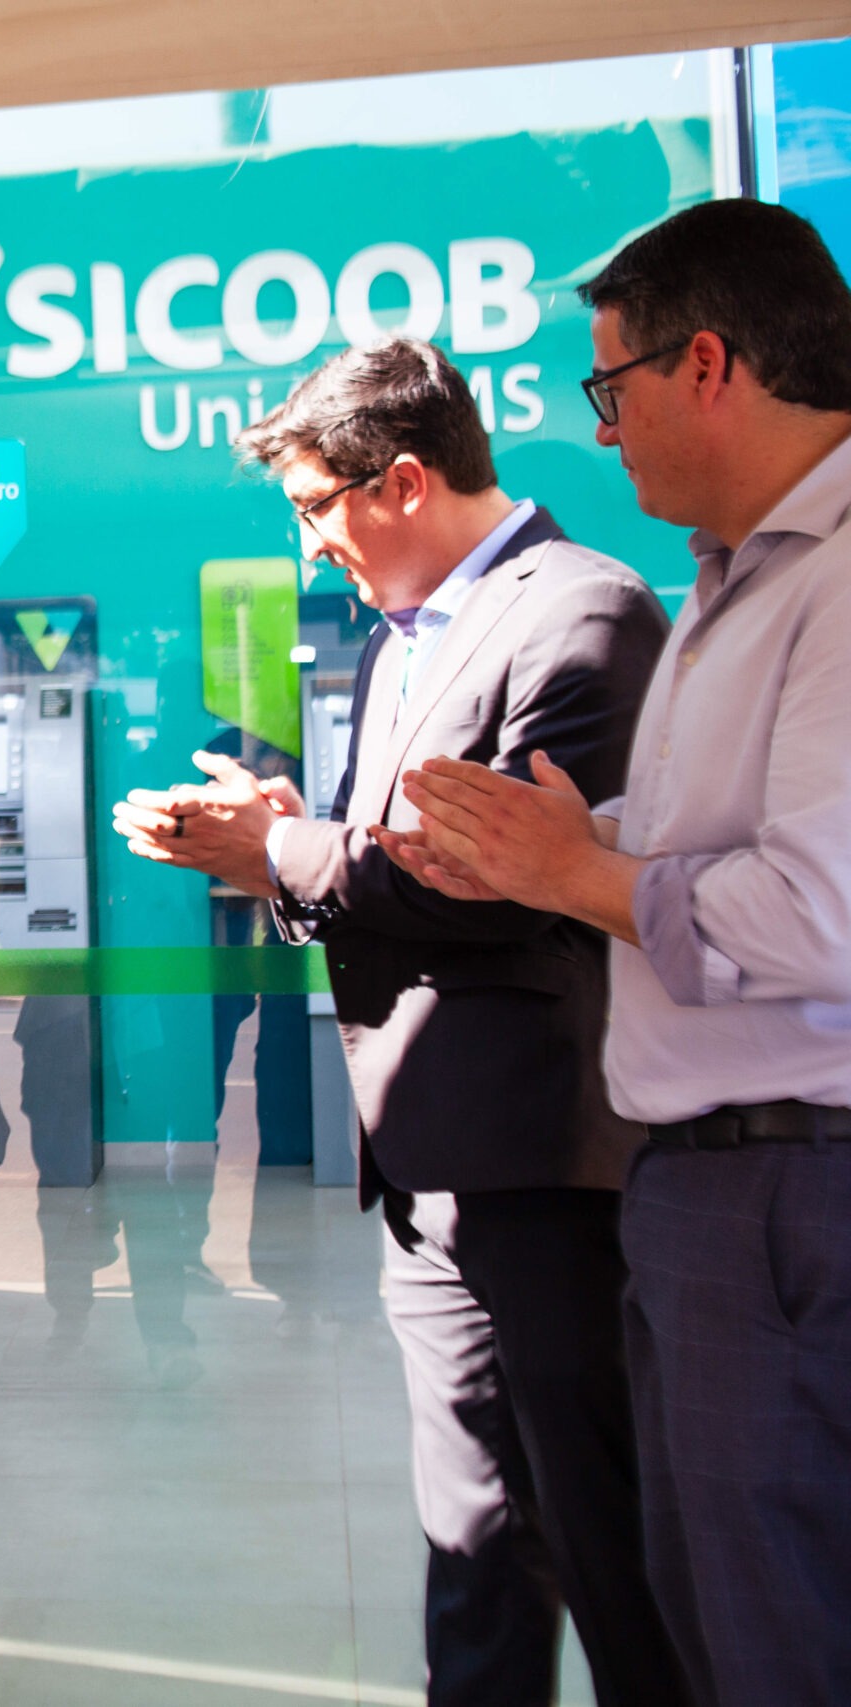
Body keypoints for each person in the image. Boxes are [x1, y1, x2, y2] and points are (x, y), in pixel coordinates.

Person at [113, 338, 685, 1706]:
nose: (311, 544)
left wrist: (278, 851)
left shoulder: (583, 612)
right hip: (435, 1169)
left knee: (608, 1546)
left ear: (405, 482)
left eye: (316, 506)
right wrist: (278, 842)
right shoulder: (400, 641)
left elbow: (502, 883)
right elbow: (395, 863)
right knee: (475, 1542)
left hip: (545, 1170)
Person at [385, 200, 851, 1707]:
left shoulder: (830, 577)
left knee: (770, 1635)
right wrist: (543, 842)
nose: (603, 429)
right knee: (711, 1615)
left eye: (612, 385)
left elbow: (822, 913)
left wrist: (576, 872)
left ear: (706, 363)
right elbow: (708, 838)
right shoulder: (738, 577)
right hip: (709, 1182)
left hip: (790, 1180)